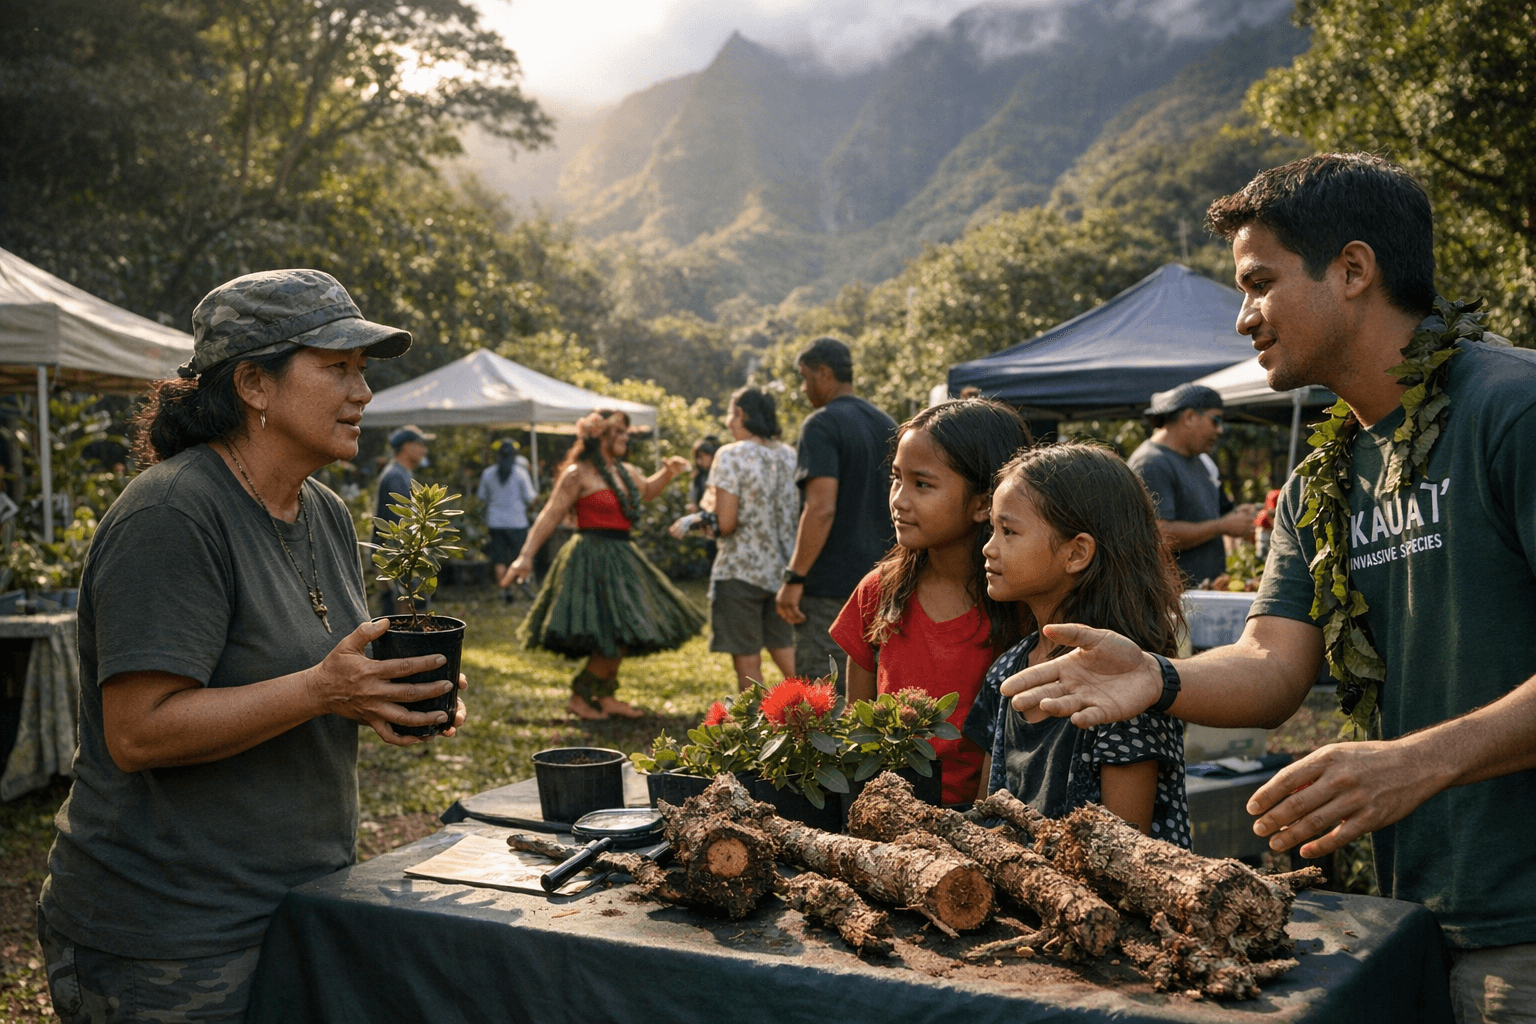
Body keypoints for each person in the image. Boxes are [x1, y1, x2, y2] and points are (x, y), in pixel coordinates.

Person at [998, 153, 1536, 1018]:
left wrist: (1417, 761)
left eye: (1258, 283)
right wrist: (1158, 676)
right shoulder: (1324, 476)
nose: (1243, 316)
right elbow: (1272, 664)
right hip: (1411, 916)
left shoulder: (1514, 409)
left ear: (1353, 269)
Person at [36, 269, 468, 1024]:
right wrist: (323, 690)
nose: (363, 392)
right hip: (169, 940)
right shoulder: (173, 514)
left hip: (300, 906)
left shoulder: (324, 511)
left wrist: (379, 695)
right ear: (253, 384)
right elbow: (138, 732)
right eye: (337, 368)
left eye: (362, 370)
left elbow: (311, 675)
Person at [963, 442, 1190, 843]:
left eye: (1009, 531)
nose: (988, 547)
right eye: (992, 529)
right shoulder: (1007, 670)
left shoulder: (1124, 686)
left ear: (1077, 553)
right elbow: (985, 818)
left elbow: (1128, 851)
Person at [829, 399, 1029, 805]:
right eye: (896, 478)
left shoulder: (1021, 606)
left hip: (983, 818)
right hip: (888, 812)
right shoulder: (878, 591)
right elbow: (857, 727)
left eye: (922, 484)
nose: (899, 500)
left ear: (982, 504)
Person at [505, 410, 703, 720]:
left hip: (623, 555)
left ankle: (605, 695)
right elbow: (551, 513)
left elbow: (646, 491)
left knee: (624, 626)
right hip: (591, 557)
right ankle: (580, 696)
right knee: (609, 629)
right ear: (600, 436)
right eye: (619, 432)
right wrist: (526, 556)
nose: (626, 437)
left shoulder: (627, 472)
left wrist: (667, 473)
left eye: (626, 432)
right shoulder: (578, 473)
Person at [776, 337, 897, 684]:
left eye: (805, 377)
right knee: (875, 694)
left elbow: (820, 508)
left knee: (826, 694)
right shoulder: (887, 423)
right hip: (884, 581)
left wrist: (795, 577)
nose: (803, 388)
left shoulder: (821, 424)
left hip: (831, 590)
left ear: (824, 373)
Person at [672, 389, 797, 692]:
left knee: (748, 664)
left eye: (730, 413)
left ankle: (756, 719)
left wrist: (692, 522)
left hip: (740, 571)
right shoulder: (790, 455)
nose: (728, 422)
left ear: (741, 413)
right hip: (783, 572)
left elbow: (726, 523)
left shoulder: (731, 455)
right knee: (786, 652)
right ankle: (823, 709)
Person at [1127, 383, 1257, 587]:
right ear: (1189, 417)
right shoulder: (1151, 463)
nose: (1220, 430)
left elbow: (1207, 515)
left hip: (1202, 594)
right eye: (1215, 420)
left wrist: (1236, 516)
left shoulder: (1201, 460)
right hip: (1170, 599)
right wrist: (1222, 526)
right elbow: (1160, 535)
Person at [373, 424, 434, 615]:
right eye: (420, 444)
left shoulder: (402, 473)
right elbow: (398, 520)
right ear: (407, 447)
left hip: (399, 551)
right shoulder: (396, 476)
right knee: (406, 601)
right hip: (398, 551)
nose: (424, 450)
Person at [478, 438, 537, 601]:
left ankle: (505, 590)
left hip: (495, 522)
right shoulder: (521, 473)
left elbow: (482, 498)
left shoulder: (488, 473)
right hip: (518, 523)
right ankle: (523, 586)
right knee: (520, 557)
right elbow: (531, 498)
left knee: (500, 558)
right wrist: (530, 509)